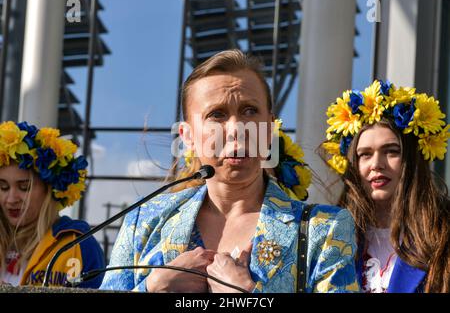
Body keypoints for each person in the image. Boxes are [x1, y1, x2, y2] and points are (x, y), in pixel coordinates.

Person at [100, 49, 359, 293]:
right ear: (187, 136)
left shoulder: (324, 230)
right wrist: (152, 287)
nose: (236, 129)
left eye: (249, 110)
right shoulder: (144, 223)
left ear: (269, 127)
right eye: (217, 114)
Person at [321, 80, 450, 293]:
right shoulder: (331, 240)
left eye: (391, 151)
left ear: (412, 159)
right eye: (365, 155)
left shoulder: (443, 233)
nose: (376, 164)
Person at [0, 121, 105, 288]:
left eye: (24, 187)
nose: (11, 199)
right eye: (3, 187)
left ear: (49, 190)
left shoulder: (78, 245)